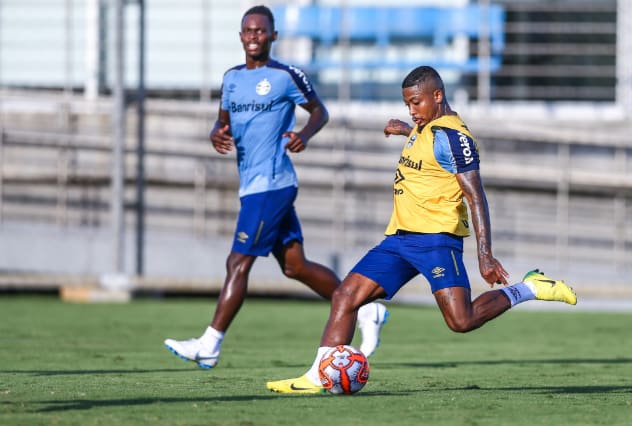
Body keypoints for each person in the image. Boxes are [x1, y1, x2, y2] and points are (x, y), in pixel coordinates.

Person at [266, 65, 577, 394]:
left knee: (461, 321)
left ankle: (529, 288)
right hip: (399, 240)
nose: (412, 111)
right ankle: (317, 377)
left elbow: (476, 196)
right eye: (407, 105)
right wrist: (405, 129)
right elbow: (425, 143)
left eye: (416, 103)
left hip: (436, 243)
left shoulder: (454, 137)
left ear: (437, 96)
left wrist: (485, 256)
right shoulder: (424, 127)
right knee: (345, 296)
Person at [163, 5, 388, 369]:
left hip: (273, 184)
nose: (254, 36)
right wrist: (214, 133)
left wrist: (304, 135)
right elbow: (221, 122)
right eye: (248, 31)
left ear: (273, 36)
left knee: (238, 261)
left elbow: (320, 112)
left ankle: (210, 344)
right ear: (240, 36)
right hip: (251, 185)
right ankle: (365, 309)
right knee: (295, 266)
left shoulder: (285, 75)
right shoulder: (231, 78)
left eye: (261, 31)